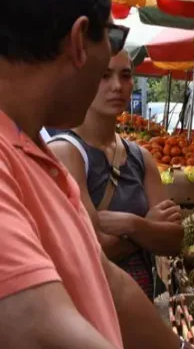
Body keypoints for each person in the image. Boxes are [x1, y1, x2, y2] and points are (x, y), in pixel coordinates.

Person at [0, 0, 194, 349]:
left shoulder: (39, 156)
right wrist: (142, 228)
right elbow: (37, 326)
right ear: (80, 40)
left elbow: (106, 281)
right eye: (111, 38)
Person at [49, 50, 183, 299]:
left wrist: (133, 224)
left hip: (140, 309)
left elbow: (174, 239)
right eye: (104, 75)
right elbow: (91, 248)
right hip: (93, 311)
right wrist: (147, 228)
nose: (117, 86)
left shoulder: (140, 157)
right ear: (83, 80)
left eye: (125, 75)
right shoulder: (67, 153)